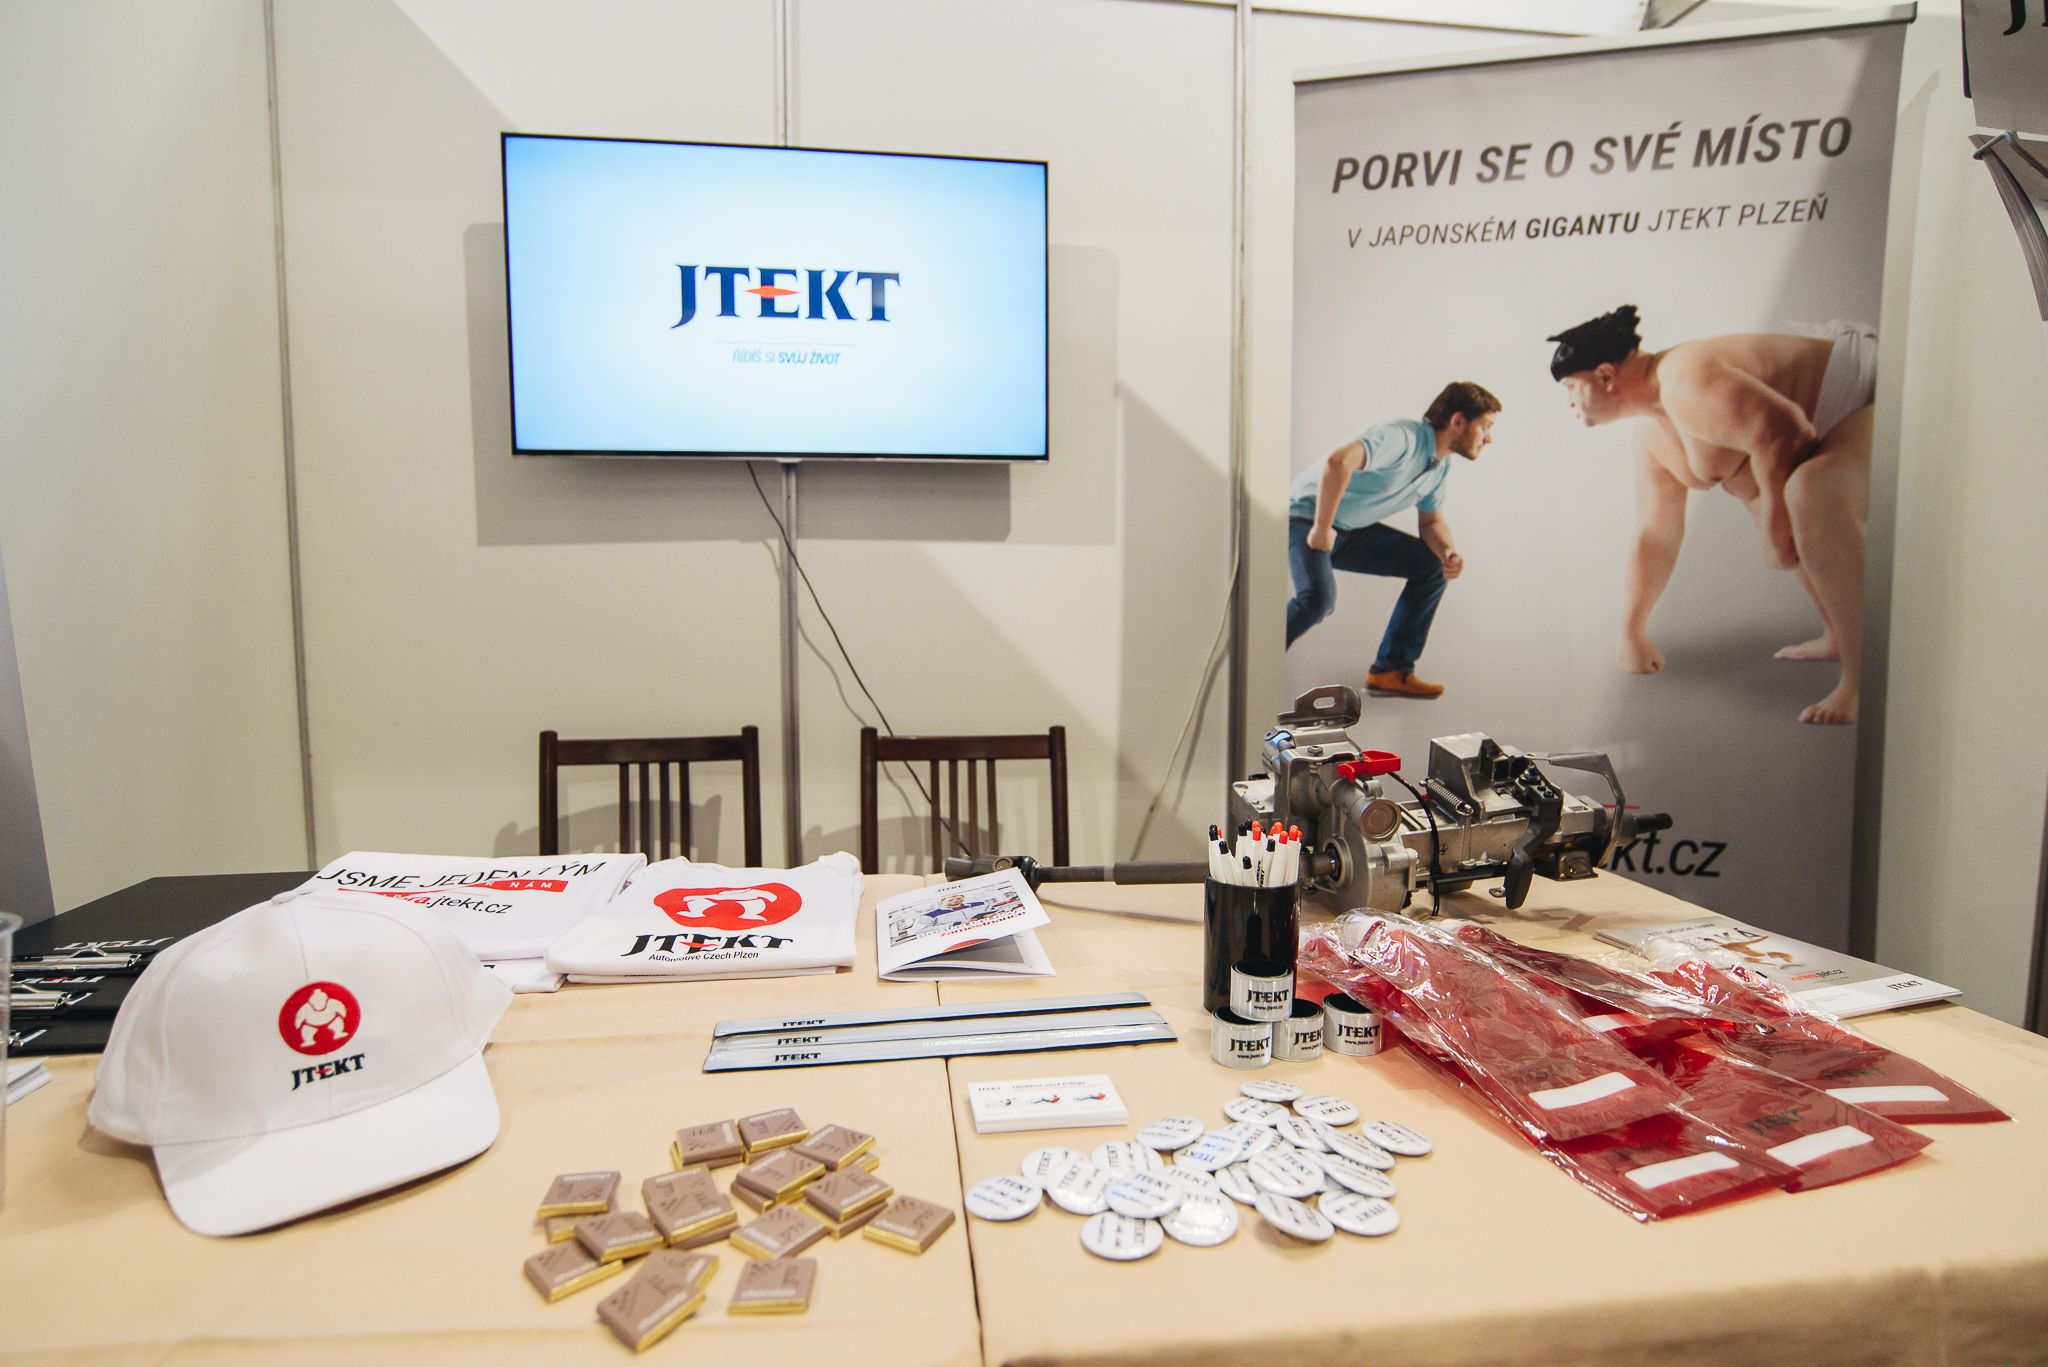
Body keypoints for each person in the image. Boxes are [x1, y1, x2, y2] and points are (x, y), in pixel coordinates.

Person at [1547, 305, 1873, 725]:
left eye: (1572, 387)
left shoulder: (1682, 381)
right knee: (1757, 487)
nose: (1570, 402)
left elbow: (1787, 430)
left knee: (1808, 491)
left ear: (1606, 376)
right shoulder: (1653, 434)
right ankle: (1837, 633)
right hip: (1833, 423)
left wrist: (1775, 531)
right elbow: (1656, 534)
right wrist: (1632, 629)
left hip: (1874, 394)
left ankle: (1864, 681)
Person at [1285, 381, 1502, 698]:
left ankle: (1390, 671)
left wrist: (1447, 551)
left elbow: (1432, 522)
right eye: (1485, 426)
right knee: (1318, 600)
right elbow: (1338, 461)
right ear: (1458, 421)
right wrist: (1321, 528)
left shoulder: (1438, 467)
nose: (1489, 438)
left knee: (1432, 566)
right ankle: (1254, 657)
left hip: (1348, 529)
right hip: (1304, 516)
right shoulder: (1402, 437)